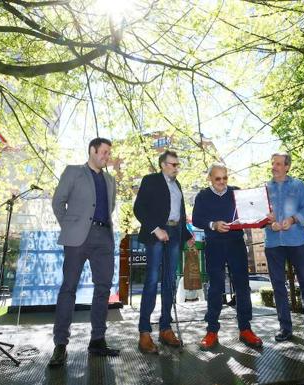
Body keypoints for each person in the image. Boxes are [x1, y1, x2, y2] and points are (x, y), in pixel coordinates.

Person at [48, 138, 119, 367]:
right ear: (92, 150)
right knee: (68, 289)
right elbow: (58, 202)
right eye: (104, 152)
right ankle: (60, 345)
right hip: (77, 238)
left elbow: (111, 207)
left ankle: (97, 340)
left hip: (104, 238)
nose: (107, 157)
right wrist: (69, 226)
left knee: (103, 289)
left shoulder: (110, 180)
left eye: (109, 153)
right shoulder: (73, 172)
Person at [192, 164, 262, 350]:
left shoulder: (237, 193)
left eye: (225, 178)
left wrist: (262, 215)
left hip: (236, 244)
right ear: (210, 179)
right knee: (215, 288)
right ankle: (212, 331)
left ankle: (245, 329)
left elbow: (251, 213)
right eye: (218, 179)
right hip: (214, 246)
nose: (222, 182)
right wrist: (213, 224)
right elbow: (197, 219)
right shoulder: (202, 196)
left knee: (242, 286)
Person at [133, 150, 194, 354]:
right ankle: (144, 332)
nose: (177, 168)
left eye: (178, 164)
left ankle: (165, 329)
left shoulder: (177, 185)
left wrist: (187, 235)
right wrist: (156, 228)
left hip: (175, 234)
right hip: (156, 234)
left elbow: (179, 214)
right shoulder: (151, 180)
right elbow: (139, 208)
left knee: (169, 280)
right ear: (162, 164)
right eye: (173, 164)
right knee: (151, 281)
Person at [265, 152, 304, 344]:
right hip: (273, 244)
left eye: (279, 164)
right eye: (273, 163)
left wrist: (293, 219)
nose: (274, 167)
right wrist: (268, 223)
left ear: (287, 167)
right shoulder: (264, 189)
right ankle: (285, 328)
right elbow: (259, 215)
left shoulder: (298, 186)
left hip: (297, 241)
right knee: (278, 286)